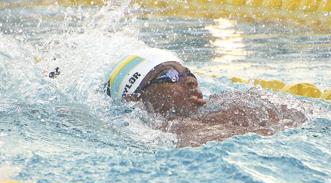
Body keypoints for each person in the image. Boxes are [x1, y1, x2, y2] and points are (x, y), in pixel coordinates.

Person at [103, 49, 306, 147]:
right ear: (137, 99)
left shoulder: (225, 98)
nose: (190, 80)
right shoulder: (175, 130)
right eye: (171, 76)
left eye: (187, 72)